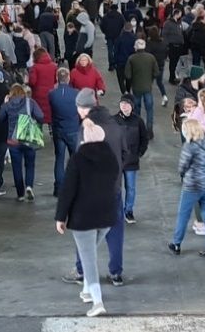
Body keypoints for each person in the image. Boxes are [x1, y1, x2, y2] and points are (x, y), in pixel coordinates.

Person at [55, 121, 121, 318]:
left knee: (88, 260)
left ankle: (98, 301)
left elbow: (67, 190)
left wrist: (60, 216)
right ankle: (86, 290)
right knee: (89, 254)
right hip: (107, 216)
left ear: (84, 138)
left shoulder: (77, 160)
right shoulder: (111, 158)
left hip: (82, 218)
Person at [63, 88, 129, 287]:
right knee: (116, 230)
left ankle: (82, 270)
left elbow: (79, 158)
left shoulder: (86, 129)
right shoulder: (115, 125)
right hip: (114, 187)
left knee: (84, 230)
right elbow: (125, 153)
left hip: (89, 192)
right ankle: (116, 273)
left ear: (83, 109)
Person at [167, 119, 205, 258]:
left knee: (183, 215)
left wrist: (184, 174)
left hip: (192, 186)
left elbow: (182, 167)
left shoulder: (189, 146)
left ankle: (176, 243)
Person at [0, 84, 44, 202]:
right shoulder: (30, 102)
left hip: (13, 140)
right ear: (23, 93)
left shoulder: (7, 105)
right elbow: (40, 116)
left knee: (16, 167)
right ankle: (29, 185)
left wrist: (4, 103)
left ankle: (20, 194)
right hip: (28, 137)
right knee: (30, 164)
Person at [114, 94, 148, 224]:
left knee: (131, 188)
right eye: (122, 104)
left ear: (132, 106)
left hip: (132, 160)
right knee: (116, 188)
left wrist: (139, 153)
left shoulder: (138, 121)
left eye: (127, 104)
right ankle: (116, 212)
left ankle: (128, 211)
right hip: (117, 160)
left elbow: (144, 139)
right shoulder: (113, 120)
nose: (124, 106)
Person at [49, 68, 80, 197]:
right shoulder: (76, 93)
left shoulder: (52, 94)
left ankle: (58, 188)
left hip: (59, 130)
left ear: (57, 78)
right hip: (73, 130)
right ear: (68, 78)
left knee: (59, 159)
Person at [124, 39, 159, 137]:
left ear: (135, 47)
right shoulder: (151, 58)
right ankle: (149, 130)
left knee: (136, 109)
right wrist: (150, 78)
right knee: (149, 109)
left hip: (136, 88)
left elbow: (128, 75)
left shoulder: (131, 58)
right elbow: (156, 72)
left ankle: (138, 129)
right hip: (148, 87)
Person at [29, 49, 57, 126]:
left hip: (38, 95)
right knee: (50, 114)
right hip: (50, 93)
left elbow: (32, 82)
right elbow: (55, 80)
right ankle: (52, 134)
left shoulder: (35, 67)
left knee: (38, 115)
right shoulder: (54, 66)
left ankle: (39, 134)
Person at [144, 27, 169, 106]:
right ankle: (164, 96)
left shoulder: (149, 43)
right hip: (160, 65)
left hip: (151, 66)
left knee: (149, 83)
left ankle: (148, 100)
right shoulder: (163, 43)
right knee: (159, 82)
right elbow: (166, 54)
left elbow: (146, 54)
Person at [162, 9, 186, 84]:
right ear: (176, 14)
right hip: (172, 46)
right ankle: (171, 78)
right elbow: (164, 34)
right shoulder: (168, 23)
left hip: (179, 46)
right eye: (180, 14)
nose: (181, 16)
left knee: (175, 62)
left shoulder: (179, 22)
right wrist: (167, 45)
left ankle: (174, 76)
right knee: (172, 62)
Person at [100, 4, 125, 71]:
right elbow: (123, 25)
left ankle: (111, 65)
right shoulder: (120, 16)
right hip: (118, 35)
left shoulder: (106, 16)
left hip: (109, 35)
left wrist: (105, 32)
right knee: (117, 50)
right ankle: (116, 63)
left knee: (110, 50)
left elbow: (102, 25)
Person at [113, 22, 137, 95]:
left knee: (120, 79)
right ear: (131, 28)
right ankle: (128, 90)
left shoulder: (119, 38)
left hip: (120, 61)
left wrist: (115, 61)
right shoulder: (134, 38)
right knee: (128, 77)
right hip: (130, 62)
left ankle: (124, 92)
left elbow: (115, 51)